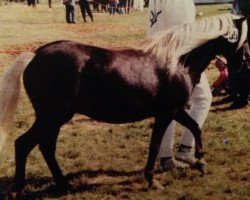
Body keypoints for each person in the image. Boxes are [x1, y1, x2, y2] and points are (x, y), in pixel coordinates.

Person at [147, 0, 212, 171]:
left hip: (156, 53)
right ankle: (185, 149)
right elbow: (184, 33)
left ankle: (166, 157)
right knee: (203, 97)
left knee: (167, 107)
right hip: (175, 58)